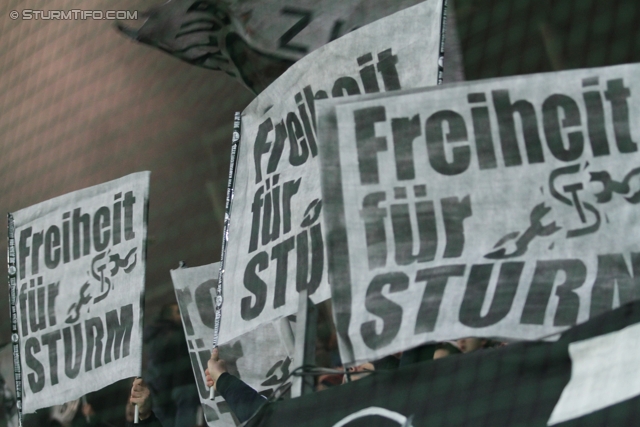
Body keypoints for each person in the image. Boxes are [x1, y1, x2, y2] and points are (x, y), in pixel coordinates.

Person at [144, 303, 199, 427]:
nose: (184, 316)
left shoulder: (156, 335)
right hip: (178, 388)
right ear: (169, 316)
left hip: (160, 392)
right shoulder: (172, 334)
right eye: (179, 312)